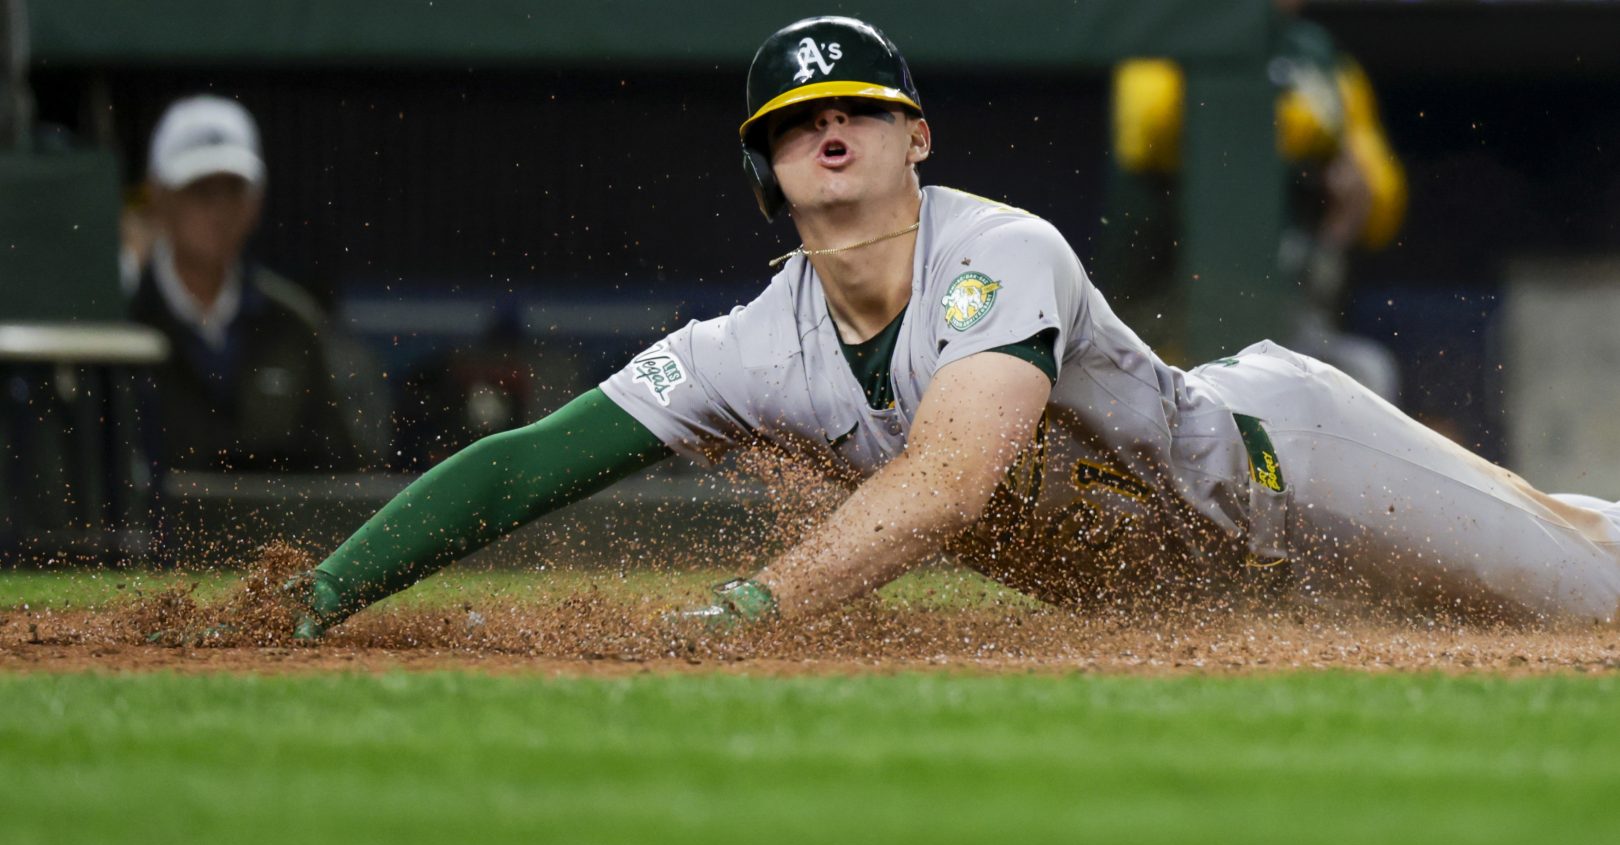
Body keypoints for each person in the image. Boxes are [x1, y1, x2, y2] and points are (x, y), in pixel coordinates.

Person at [287, 16, 1620, 641]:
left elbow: (951, 479)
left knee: (1592, 599)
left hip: (1301, 472)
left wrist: (764, 599)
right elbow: (527, 465)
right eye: (797, 122)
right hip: (1225, 588)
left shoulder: (1000, 251)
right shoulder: (754, 347)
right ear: (766, 168)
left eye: (858, 108)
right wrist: (333, 585)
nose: (829, 127)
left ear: (914, 136)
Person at [1108, 0, 1406, 400]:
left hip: (1288, 311)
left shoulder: (1317, 53)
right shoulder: (1172, 26)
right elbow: (1147, 130)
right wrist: (1308, 128)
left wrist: (1358, 182)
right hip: (1168, 315)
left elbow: (1384, 202)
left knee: (1367, 375)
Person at [130, 95, 379, 474]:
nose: (219, 209)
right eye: (200, 190)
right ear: (160, 198)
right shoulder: (121, 324)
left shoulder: (295, 324)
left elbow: (342, 472)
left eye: (233, 189)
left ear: (256, 202)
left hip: (280, 533)